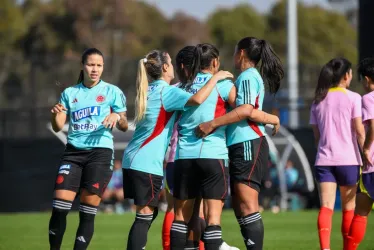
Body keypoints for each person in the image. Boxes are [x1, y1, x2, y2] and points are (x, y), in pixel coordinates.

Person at [122, 49, 233, 250]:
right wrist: (216, 77)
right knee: (144, 217)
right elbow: (197, 99)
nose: (173, 66)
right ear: (165, 67)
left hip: (132, 159)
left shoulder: (148, 90)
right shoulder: (168, 91)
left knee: (147, 215)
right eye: (170, 63)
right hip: (147, 162)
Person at [195, 37, 283, 250]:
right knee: (239, 204)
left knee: (247, 203)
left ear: (241, 53)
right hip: (241, 144)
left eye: (235, 51)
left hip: (248, 143)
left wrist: (212, 124)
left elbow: (245, 110)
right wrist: (272, 118)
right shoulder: (247, 77)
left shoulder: (247, 76)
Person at [48, 48, 128, 250]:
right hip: (73, 153)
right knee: (59, 208)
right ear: (83, 66)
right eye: (91, 64)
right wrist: (54, 115)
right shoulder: (70, 93)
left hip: (100, 154)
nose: (95, 69)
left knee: (87, 211)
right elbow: (58, 125)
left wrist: (117, 116)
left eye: (99, 65)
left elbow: (125, 124)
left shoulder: (112, 91)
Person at [309, 58, 365, 250]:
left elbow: (316, 136)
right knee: (349, 208)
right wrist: (366, 154)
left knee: (326, 206)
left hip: (324, 160)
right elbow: (359, 131)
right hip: (348, 160)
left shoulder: (317, 101)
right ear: (347, 75)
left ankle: (325, 249)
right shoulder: (354, 98)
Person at [346, 58, 374, 250]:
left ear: (366, 79)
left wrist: (365, 148)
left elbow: (372, 125)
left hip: (372, 164)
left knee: (361, 213)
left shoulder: (368, 98)